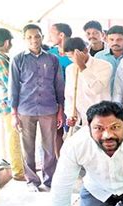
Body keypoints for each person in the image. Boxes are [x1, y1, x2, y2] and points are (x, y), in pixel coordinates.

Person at [9, 24, 65, 192]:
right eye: (30, 37)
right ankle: (32, 181)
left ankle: (49, 180)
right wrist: (14, 113)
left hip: (49, 109)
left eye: (37, 36)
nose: (34, 40)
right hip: (25, 109)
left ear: (42, 37)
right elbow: (13, 87)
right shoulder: (18, 59)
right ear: (24, 39)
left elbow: (59, 85)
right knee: (28, 147)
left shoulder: (52, 59)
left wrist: (60, 110)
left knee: (49, 147)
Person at [0, 28, 25, 181]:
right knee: (14, 136)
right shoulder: (1, 60)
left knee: (14, 135)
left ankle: (19, 168)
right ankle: (18, 171)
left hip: (3, 101)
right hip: (9, 104)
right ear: (7, 42)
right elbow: (10, 84)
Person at [63, 37, 112, 130]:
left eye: (75, 56)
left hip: (99, 118)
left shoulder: (104, 66)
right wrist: (70, 115)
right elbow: (69, 94)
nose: (73, 60)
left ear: (85, 50)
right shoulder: (70, 69)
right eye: (69, 57)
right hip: (79, 120)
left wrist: (82, 67)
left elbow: (97, 89)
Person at [48, 23, 73, 157]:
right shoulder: (50, 54)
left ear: (61, 35)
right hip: (54, 99)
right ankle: (60, 163)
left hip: (74, 98)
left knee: (74, 131)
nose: (49, 36)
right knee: (57, 132)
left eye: (52, 33)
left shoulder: (76, 52)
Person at [94, 25, 123, 94]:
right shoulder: (99, 57)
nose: (115, 43)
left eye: (119, 40)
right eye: (111, 39)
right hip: (104, 98)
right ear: (106, 40)